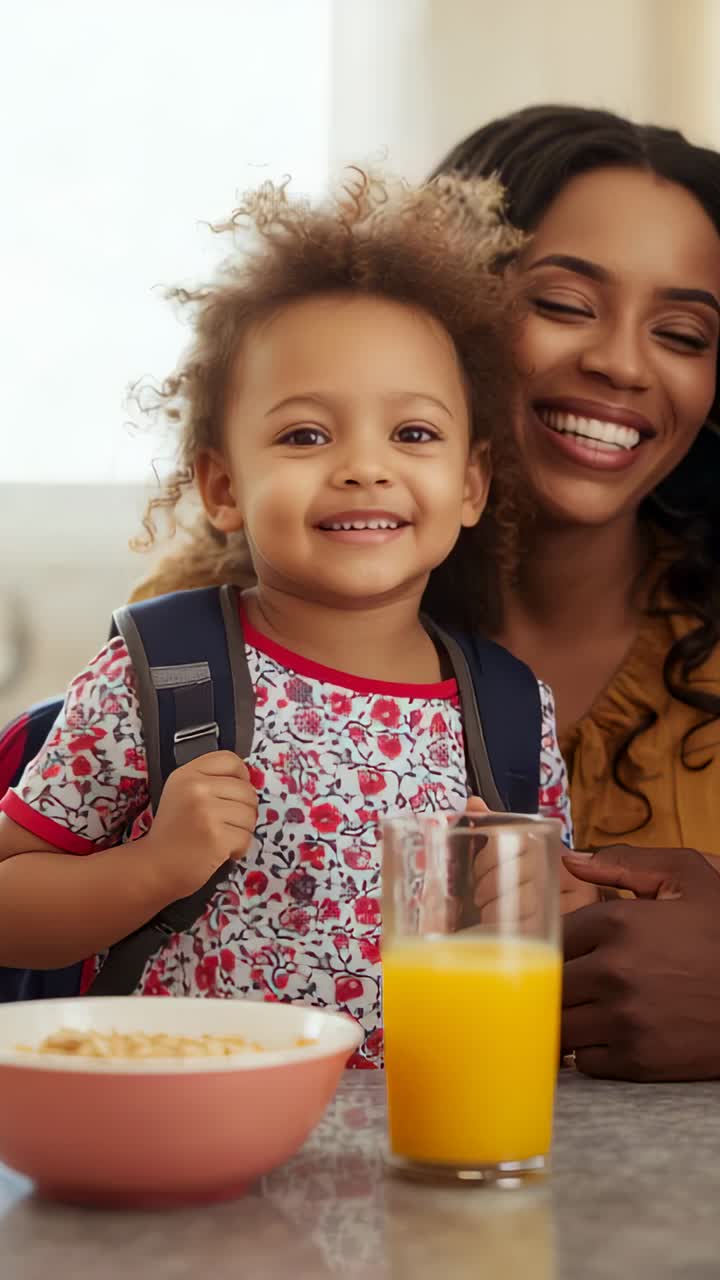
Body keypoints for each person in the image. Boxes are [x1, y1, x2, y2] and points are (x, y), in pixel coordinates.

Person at [0, 170, 575, 1065]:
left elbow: (553, 944)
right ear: (223, 486)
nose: (363, 468)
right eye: (306, 435)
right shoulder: (165, 675)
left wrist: (535, 911)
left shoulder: (508, 711)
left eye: (413, 435)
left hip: (424, 1149)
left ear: (472, 483)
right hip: (196, 1151)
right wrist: (150, 868)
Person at [433, 104, 720, 1079]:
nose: (622, 362)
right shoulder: (229, 641)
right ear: (447, 305)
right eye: (563, 304)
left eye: (682, 331)